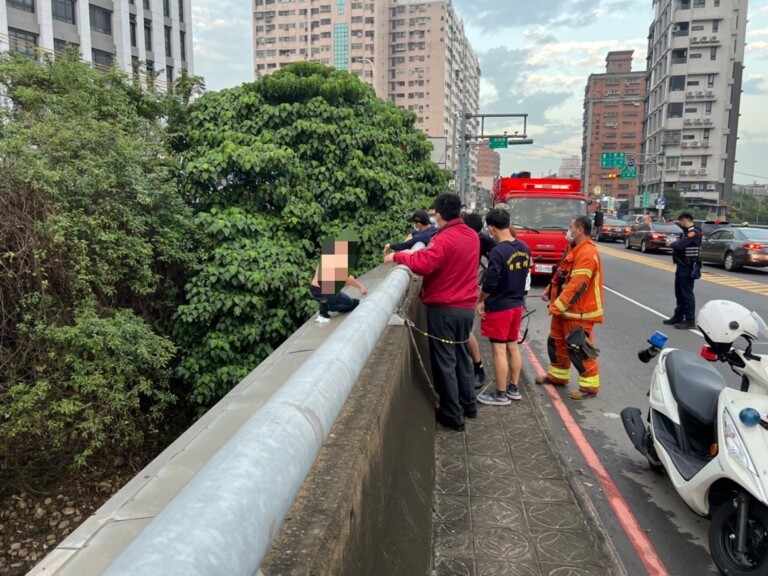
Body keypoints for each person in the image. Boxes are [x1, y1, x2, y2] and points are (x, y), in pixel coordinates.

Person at [384, 192, 479, 432]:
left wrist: (397, 256)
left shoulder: (444, 239)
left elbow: (424, 263)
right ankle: (469, 406)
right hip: (466, 310)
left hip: (444, 310)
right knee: (461, 356)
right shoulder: (472, 235)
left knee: (445, 362)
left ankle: (452, 414)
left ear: (438, 213)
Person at [536, 215, 604, 400]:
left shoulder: (588, 253)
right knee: (556, 343)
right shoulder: (573, 248)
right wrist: (550, 291)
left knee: (579, 348)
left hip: (580, 312)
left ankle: (589, 387)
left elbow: (578, 285)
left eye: (571, 227)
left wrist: (557, 305)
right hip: (565, 310)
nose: (568, 230)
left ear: (580, 230)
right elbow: (562, 274)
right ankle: (558, 377)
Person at [475, 209, 531, 405]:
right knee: (512, 346)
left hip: (500, 306)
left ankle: (500, 394)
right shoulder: (524, 247)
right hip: (517, 305)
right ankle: (513, 389)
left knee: (498, 349)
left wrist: (481, 300)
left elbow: (491, 282)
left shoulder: (499, 251)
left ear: (491, 228)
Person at [462, 212, 496, 389]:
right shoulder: (456, 237)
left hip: (471, 290)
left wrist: (482, 285)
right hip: (461, 289)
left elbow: (496, 262)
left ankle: (478, 367)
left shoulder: (482, 240)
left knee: (467, 333)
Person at [311, 237, 368, 324]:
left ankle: (324, 305)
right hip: (326, 293)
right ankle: (326, 307)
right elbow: (347, 278)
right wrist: (361, 287)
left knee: (344, 299)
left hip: (314, 291)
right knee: (349, 303)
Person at [663, 212, 701, 330]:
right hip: (682, 265)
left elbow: (681, 245)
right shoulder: (686, 232)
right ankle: (678, 316)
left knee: (686, 293)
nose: (681, 224)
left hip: (688, 266)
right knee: (679, 292)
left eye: (681, 221)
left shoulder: (694, 232)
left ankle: (690, 320)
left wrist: (671, 243)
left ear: (686, 220)